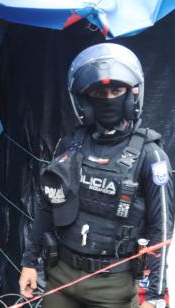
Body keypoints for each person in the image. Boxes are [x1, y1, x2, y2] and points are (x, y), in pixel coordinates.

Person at [18, 43, 173, 308]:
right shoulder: (70, 146)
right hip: (61, 278)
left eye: (116, 91)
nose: (108, 98)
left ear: (131, 95)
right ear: (86, 100)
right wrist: (29, 263)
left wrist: (156, 297)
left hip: (113, 287)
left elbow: (162, 228)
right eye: (100, 93)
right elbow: (46, 206)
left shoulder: (150, 156)